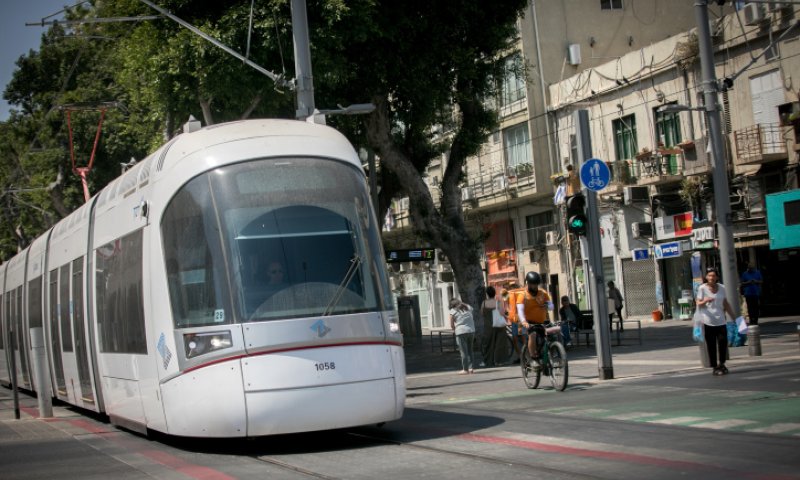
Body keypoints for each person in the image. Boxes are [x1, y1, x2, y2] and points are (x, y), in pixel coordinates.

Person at [696, 268, 737, 376]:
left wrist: (734, 317)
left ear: (717, 277)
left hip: (721, 321)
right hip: (708, 322)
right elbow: (698, 303)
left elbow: (725, 303)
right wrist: (705, 300)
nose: (711, 278)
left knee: (723, 343)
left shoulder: (722, 288)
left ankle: (722, 364)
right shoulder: (702, 288)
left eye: (713, 276)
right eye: (709, 275)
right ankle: (715, 367)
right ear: (706, 277)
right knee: (711, 345)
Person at [516, 271, 552, 361]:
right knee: (533, 335)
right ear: (528, 283)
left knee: (554, 335)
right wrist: (523, 321)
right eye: (532, 284)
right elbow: (520, 309)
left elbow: (551, 306)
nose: (535, 287)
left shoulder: (543, 293)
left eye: (536, 284)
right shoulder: (523, 295)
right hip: (529, 322)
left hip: (542, 321)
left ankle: (552, 354)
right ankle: (533, 358)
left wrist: (548, 305)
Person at [481, 286, 508, 367]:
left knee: (488, 344)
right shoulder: (498, 302)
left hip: (488, 326)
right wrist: (506, 317)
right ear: (494, 293)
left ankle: (488, 361)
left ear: (487, 294)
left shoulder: (484, 303)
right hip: (499, 326)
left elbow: (482, 313)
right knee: (500, 344)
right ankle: (499, 361)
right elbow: (502, 313)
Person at [449, 298, 476, 374]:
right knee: (470, 350)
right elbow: (471, 311)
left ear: (452, 305)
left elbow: (451, 324)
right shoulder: (468, 307)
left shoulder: (453, 311)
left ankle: (465, 369)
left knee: (463, 351)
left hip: (461, 332)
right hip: (471, 330)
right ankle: (471, 368)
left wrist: (454, 329)